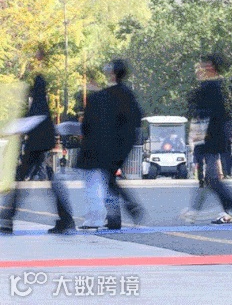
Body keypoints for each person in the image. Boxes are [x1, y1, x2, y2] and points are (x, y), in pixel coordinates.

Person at [0, 75, 75, 234]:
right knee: (49, 183)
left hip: (35, 148)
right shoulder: (43, 104)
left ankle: (7, 219)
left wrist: (10, 129)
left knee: (21, 183)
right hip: (41, 147)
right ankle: (66, 219)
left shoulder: (37, 104)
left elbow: (32, 121)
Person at [78, 59, 145, 231]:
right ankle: (118, 216)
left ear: (113, 73)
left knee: (108, 180)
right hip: (124, 143)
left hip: (109, 144)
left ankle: (126, 209)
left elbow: (92, 123)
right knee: (110, 180)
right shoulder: (126, 93)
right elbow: (137, 117)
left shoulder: (105, 96)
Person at [181, 54, 232, 225]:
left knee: (212, 179)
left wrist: (205, 138)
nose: (199, 70)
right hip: (208, 139)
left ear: (211, 68)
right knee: (209, 179)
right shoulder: (212, 86)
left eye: (203, 66)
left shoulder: (213, 87)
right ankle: (195, 210)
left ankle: (230, 210)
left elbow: (214, 116)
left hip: (211, 139)